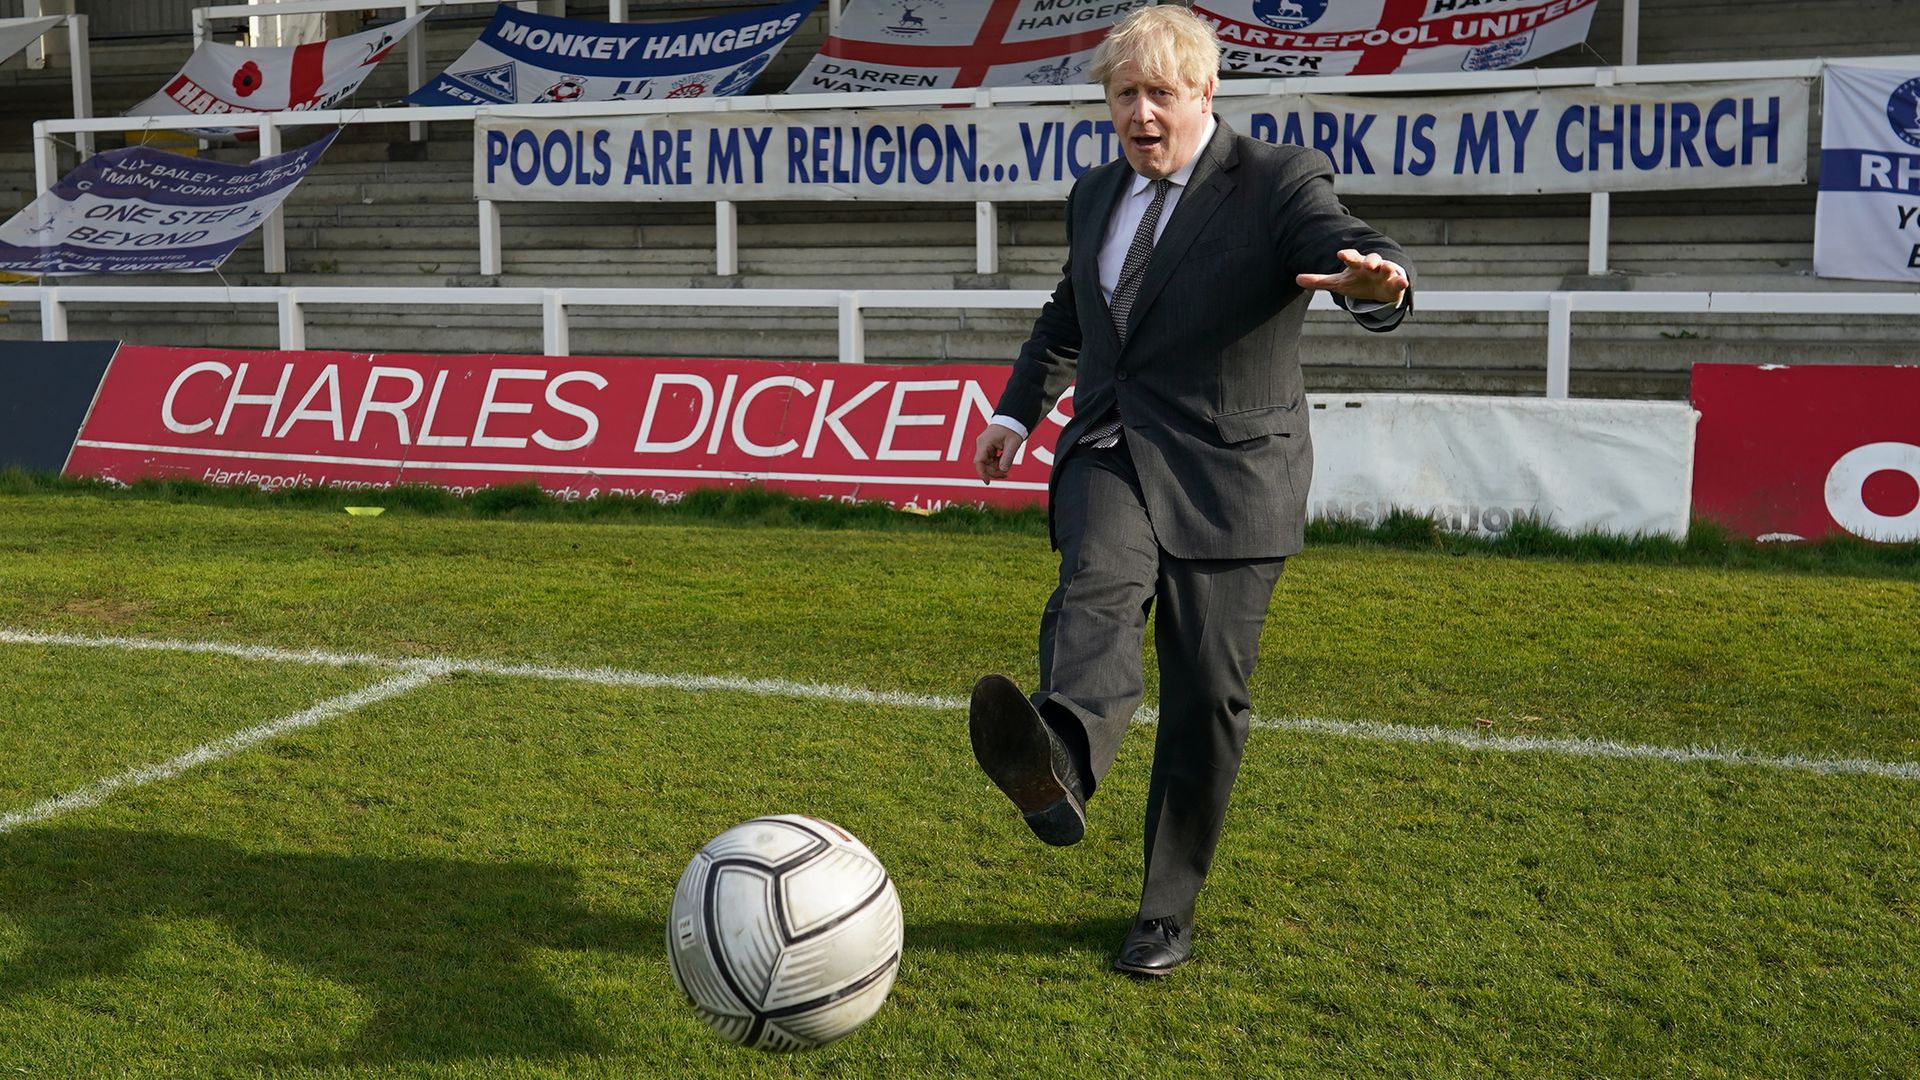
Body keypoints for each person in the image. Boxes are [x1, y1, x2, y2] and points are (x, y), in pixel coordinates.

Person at [967, 5, 1413, 977]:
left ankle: (1165, 913)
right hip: (1113, 449)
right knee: (1096, 583)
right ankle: (1062, 760)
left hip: (1233, 474)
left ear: (1206, 93)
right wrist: (1014, 414)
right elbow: (1067, 317)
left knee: (1207, 697)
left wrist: (1375, 282)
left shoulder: (1275, 179)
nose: (1141, 112)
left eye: (1160, 92)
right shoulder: (1095, 194)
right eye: (1124, 94)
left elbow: (1338, 237)